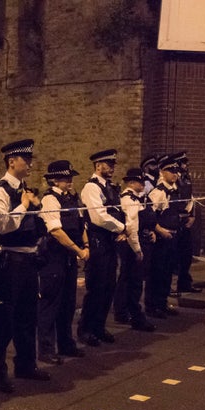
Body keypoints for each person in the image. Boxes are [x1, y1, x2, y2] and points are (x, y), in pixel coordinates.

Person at [0, 139, 50, 394]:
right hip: (9, 261)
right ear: (12, 161)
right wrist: (24, 205)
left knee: (27, 316)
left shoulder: (26, 190)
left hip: (29, 260)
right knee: (4, 320)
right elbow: (2, 225)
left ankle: (25, 364)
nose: (31, 164)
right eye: (26, 160)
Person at [36, 160, 88, 364]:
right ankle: (46, 349)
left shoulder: (72, 199)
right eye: (66, 178)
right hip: (53, 258)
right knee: (50, 303)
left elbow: (81, 224)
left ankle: (66, 343)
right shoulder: (50, 200)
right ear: (55, 180)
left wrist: (86, 246)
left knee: (68, 303)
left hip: (69, 257)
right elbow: (56, 231)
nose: (70, 182)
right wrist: (78, 250)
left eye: (70, 178)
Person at [77, 149, 127, 347]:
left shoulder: (110, 187)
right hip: (98, 242)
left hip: (110, 241)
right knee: (96, 287)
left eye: (113, 164)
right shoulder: (92, 187)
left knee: (108, 287)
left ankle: (98, 326)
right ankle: (85, 329)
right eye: (109, 164)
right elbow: (98, 216)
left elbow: (118, 212)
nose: (112, 168)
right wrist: (121, 228)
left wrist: (120, 230)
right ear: (98, 166)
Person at [113, 167, 156, 332]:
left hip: (137, 241)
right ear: (131, 182)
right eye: (140, 181)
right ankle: (135, 316)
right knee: (133, 282)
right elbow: (131, 227)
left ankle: (123, 312)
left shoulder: (136, 198)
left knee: (127, 279)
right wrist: (137, 249)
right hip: (132, 244)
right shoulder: (129, 199)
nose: (143, 184)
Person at [145, 156, 183, 319]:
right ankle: (152, 306)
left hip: (173, 236)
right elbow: (149, 215)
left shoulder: (176, 190)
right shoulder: (158, 192)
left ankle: (162, 303)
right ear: (162, 172)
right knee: (157, 273)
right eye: (171, 171)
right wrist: (160, 231)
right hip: (162, 237)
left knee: (167, 272)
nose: (174, 174)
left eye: (176, 171)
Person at [172, 151, 202, 294]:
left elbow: (191, 199)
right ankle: (172, 286)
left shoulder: (186, 178)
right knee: (174, 255)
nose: (186, 165)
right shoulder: (173, 179)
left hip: (186, 219)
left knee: (186, 254)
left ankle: (185, 282)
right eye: (184, 162)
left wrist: (192, 216)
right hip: (176, 220)